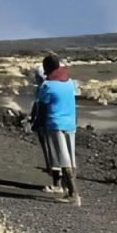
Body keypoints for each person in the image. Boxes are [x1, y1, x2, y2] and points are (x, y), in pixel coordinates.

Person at [36, 54, 80, 205]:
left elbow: (42, 106)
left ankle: (73, 194)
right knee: (70, 158)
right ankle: (69, 191)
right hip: (70, 124)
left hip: (55, 124)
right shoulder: (70, 83)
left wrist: (37, 124)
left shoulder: (47, 86)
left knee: (63, 159)